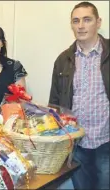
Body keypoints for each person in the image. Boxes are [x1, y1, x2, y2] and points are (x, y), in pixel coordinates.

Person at [49, 2, 109, 189]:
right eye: (76, 21)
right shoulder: (63, 59)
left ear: (98, 22)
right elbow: (55, 103)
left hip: (106, 142)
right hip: (76, 144)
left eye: (87, 19)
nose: (81, 25)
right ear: (72, 25)